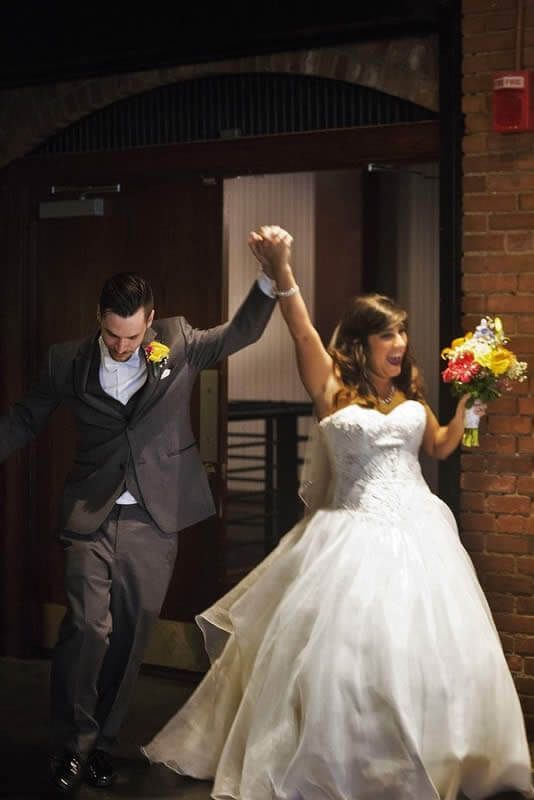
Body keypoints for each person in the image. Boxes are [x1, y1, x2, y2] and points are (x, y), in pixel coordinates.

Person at [143, 226, 533, 800]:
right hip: (348, 535)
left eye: (402, 331)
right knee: (341, 663)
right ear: (360, 342)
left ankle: (431, 757)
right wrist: (281, 268)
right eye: (387, 333)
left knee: (423, 651)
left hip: (422, 533)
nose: (400, 342)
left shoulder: (411, 398)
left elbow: (443, 446)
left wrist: (472, 407)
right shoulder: (329, 387)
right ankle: (347, 764)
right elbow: (299, 324)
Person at [0, 231, 285, 796]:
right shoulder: (66, 361)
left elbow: (243, 332)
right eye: (112, 334)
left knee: (131, 637)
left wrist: (271, 277)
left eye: (132, 336)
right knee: (87, 629)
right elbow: (26, 417)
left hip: (153, 519)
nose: (122, 345)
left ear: (150, 321)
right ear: (98, 319)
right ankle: (72, 744)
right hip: (90, 514)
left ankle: (102, 745)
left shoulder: (178, 343)